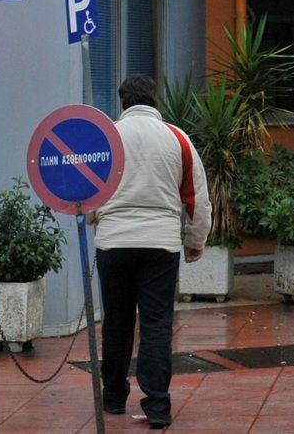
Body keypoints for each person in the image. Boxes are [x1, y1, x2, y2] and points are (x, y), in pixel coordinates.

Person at [92, 74, 211, 430]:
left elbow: (89, 193)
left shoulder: (107, 138)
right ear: (154, 99)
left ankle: (114, 397)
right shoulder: (178, 138)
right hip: (161, 244)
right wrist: (195, 242)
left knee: (116, 322)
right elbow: (197, 198)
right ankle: (157, 406)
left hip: (113, 243)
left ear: (123, 100)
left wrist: (95, 218)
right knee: (156, 324)